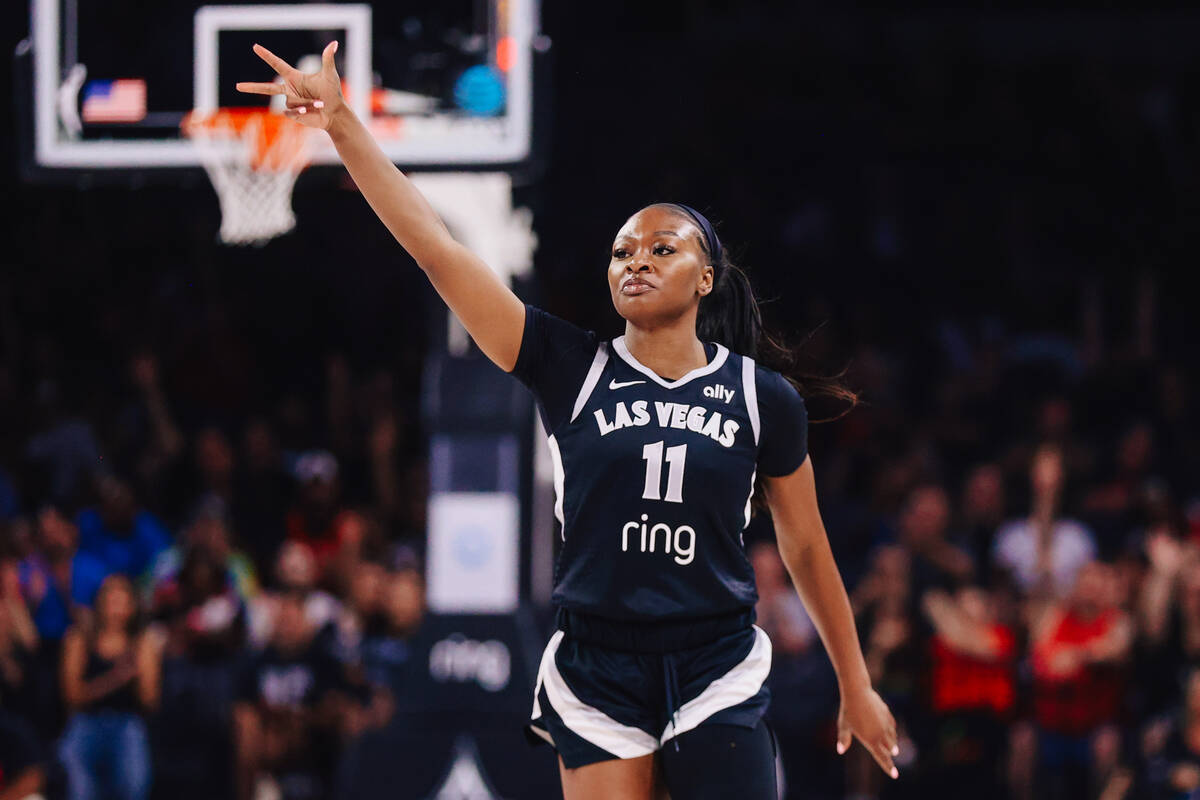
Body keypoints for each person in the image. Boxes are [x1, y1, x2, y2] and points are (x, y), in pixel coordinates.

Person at [237, 43, 900, 799]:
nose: (636, 260)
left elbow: (807, 545)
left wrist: (856, 681)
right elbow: (436, 248)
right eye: (622, 251)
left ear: (706, 279)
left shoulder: (761, 396)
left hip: (713, 660)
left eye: (662, 247)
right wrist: (344, 124)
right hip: (598, 663)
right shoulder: (568, 363)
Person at [58, 574, 163, 800]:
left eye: (122, 601)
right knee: (79, 789)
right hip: (86, 722)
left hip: (126, 723)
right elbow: (72, 695)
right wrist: (116, 677)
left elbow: (150, 700)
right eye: (110, 600)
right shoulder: (80, 638)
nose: (115, 609)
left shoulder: (141, 640)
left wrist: (142, 666)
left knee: (133, 784)